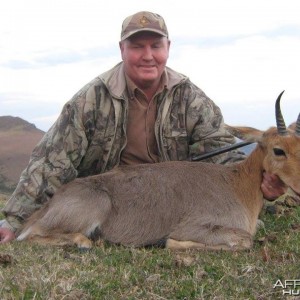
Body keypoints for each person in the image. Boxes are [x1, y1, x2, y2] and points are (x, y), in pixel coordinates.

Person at [0, 11, 286, 244]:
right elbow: (50, 162)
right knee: (88, 206)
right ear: (122, 49)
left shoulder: (192, 100)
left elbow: (223, 156)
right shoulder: (91, 99)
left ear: (168, 48)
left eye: (155, 46)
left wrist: (262, 183)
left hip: (170, 201)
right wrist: (13, 221)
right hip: (114, 197)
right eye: (137, 46)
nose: (147, 55)